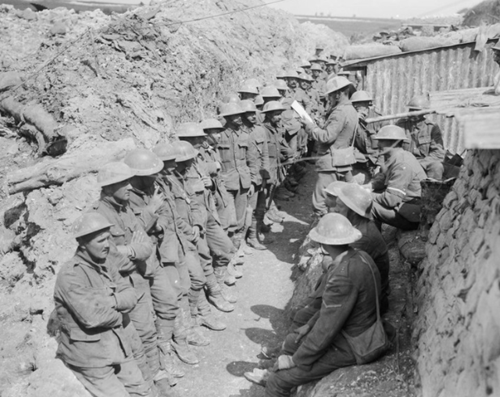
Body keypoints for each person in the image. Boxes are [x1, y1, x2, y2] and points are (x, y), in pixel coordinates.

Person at [263, 213, 388, 397]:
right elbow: (332, 310)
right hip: (356, 331)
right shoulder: (362, 257)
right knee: (292, 341)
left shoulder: (342, 276)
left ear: (324, 244)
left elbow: (326, 331)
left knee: (278, 380)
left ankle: (275, 376)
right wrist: (308, 325)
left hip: (354, 345)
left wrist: (295, 360)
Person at [92, 162, 173, 393]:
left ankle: (157, 372)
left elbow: (146, 244)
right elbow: (114, 262)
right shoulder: (99, 218)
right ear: (108, 188)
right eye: (123, 183)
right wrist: (131, 252)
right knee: (142, 335)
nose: (129, 186)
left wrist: (131, 250)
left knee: (149, 329)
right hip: (125, 285)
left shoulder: (124, 207)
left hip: (139, 276)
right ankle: (149, 384)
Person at [54, 212, 153, 397]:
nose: (107, 245)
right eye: (101, 241)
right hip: (90, 358)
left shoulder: (105, 263)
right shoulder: (70, 275)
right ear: (83, 243)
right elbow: (92, 318)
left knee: (143, 390)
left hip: (116, 345)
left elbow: (130, 295)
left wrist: (110, 301)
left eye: (108, 239)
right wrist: (120, 313)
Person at [123, 148, 201, 375]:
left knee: (171, 299)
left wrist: (155, 224)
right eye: (150, 174)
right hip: (142, 263)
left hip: (162, 253)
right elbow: (131, 234)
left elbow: (167, 215)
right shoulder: (127, 198)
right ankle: (164, 353)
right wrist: (150, 213)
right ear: (136, 176)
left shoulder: (155, 188)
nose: (156, 177)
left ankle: (177, 341)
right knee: (154, 312)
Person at [301, 76, 358, 219]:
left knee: (321, 201)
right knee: (335, 198)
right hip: (342, 159)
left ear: (338, 94)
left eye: (331, 95)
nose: (330, 99)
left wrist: (311, 128)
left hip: (330, 161)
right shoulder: (351, 110)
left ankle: (323, 231)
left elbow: (327, 137)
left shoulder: (339, 112)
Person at [328, 183, 390, 312]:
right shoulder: (358, 225)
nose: (335, 209)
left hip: (370, 302)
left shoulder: (362, 236)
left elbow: (336, 266)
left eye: (340, 206)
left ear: (353, 211)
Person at [218, 102, 259, 249]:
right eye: (235, 116)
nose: (239, 118)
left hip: (243, 182)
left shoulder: (246, 136)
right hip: (226, 183)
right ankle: (229, 250)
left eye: (240, 115)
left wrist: (253, 181)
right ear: (227, 117)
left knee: (241, 217)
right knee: (229, 218)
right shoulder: (219, 136)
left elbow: (252, 161)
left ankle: (237, 247)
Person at [370, 125, 427, 230]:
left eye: (382, 141)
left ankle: (374, 244)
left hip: (414, 215)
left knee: (368, 205)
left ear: (395, 142)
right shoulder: (398, 157)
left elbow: (391, 200)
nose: (378, 144)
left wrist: (367, 195)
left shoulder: (402, 164)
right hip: (409, 207)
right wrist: (368, 187)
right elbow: (384, 178)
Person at [241, 99, 271, 249]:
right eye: (249, 114)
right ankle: (246, 239)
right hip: (248, 179)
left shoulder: (260, 130)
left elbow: (265, 154)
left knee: (260, 208)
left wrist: (266, 175)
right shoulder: (240, 133)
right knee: (248, 210)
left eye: (254, 113)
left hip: (260, 176)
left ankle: (255, 235)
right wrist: (251, 181)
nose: (253, 116)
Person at [396, 95, 445, 180]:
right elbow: (393, 148)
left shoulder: (432, 127)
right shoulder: (400, 125)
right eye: (411, 109)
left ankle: (432, 191)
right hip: (405, 162)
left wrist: (421, 164)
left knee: (437, 166)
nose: (412, 112)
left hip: (424, 162)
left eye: (416, 111)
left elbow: (438, 153)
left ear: (424, 112)